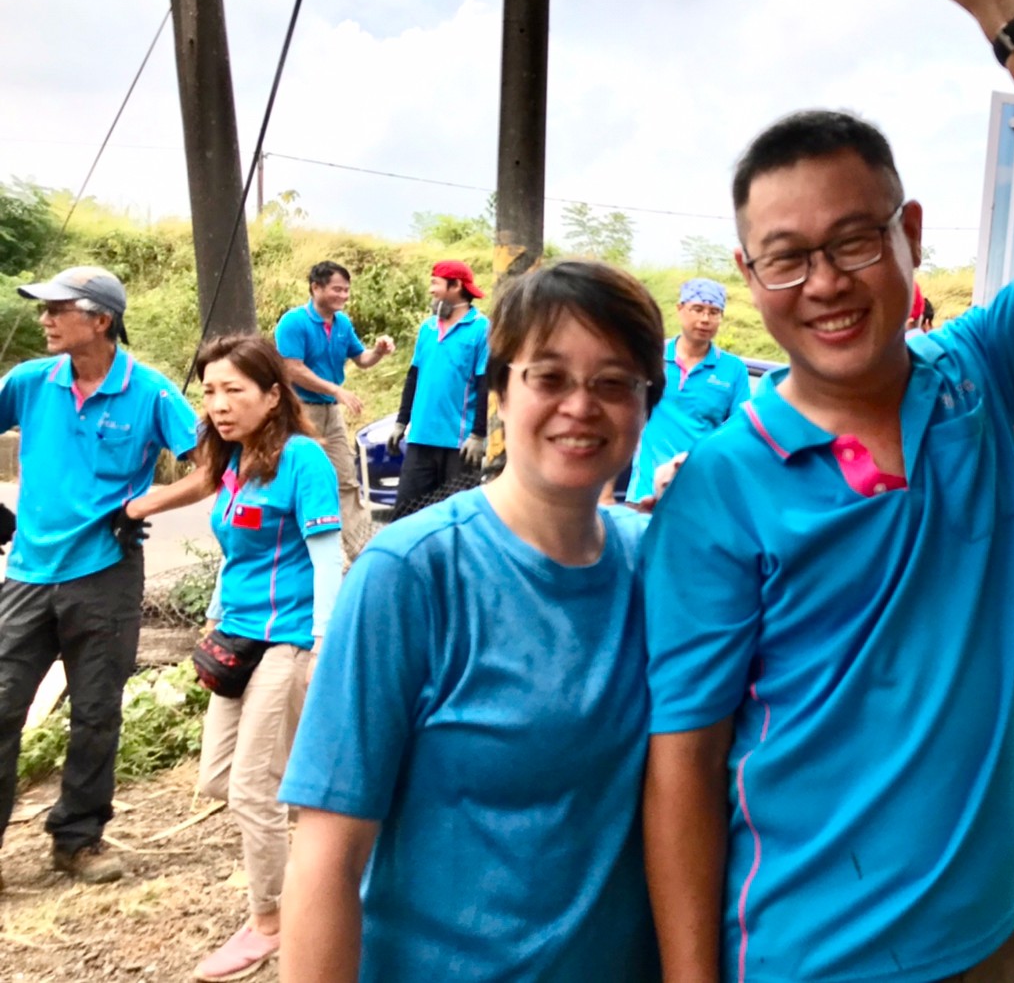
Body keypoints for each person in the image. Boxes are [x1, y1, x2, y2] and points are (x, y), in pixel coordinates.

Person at [640, 0, 1014, 983]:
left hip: (997, 932)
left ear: (908, 233)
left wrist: (1008, 8)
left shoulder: (983, 377)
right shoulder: (720, 489)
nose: (824, 283)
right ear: (748, 276)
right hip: (811, 955)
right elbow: (683, 763)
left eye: (853, 241)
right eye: (785, 258)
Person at [277, 261, 665, 982]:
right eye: (549, 377)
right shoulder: (410, 574)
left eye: (615, 383)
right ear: (501, 392)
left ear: (648, 406)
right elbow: (327, 859)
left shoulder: (663, 570)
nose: (581, 406)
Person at [127, 335, 343, 981]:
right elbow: (234, 552)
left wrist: (323, 645)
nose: (218, 405)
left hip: (289, 637)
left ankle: (271, 923)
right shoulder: (235, 461)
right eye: (210, 391)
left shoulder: (302, 460)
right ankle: (333, 853)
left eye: (234, 390)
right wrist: (216, 615)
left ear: (273, 395)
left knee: (253, 789)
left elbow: (328, 560)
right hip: (237, 638)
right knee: (220, 779)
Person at [0, 266, 198, 888]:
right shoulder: (29, 381)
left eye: (57, 309)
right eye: (44, 309)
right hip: (27, 574)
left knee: (95, 712)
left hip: (106, 574)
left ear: (101, 320)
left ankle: (77, 839)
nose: (45, 320)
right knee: (2, 706)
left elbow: (213, 464)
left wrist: (142, 506)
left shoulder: (151, 392)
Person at [273, 261, 396, 556]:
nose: (343, 295)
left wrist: (378, 352)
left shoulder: (342, 324)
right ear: (316, 288)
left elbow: (362, 359)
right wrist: (336, 390)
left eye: (346, 290)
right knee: (300, 478)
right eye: (337, 289)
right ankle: (294, 552)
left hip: (331, 413)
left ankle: (361, 553)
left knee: (346, 479)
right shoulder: (293, 322)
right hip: (299, 410)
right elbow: (292, 369)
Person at [626, 277, 750, 502]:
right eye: (698, 309)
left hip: (700, 495)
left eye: (714, 312)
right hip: (645, 492)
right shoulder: (651, 356)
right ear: (680, 309)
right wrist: (605, 493)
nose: (705, 319)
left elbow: (741, 432)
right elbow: (622, 416)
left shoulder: (733, 369)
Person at [387, 260, 490, 519]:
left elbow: (486, 384)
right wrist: (401, 422)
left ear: (456, 286)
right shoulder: (428, 328)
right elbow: (413, 377)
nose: (431, 289)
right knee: (406, 515)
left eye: (436, 283)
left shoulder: (481, 328)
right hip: (421, 437)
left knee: (458, 519)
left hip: (460, 443)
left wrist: (478, 434)